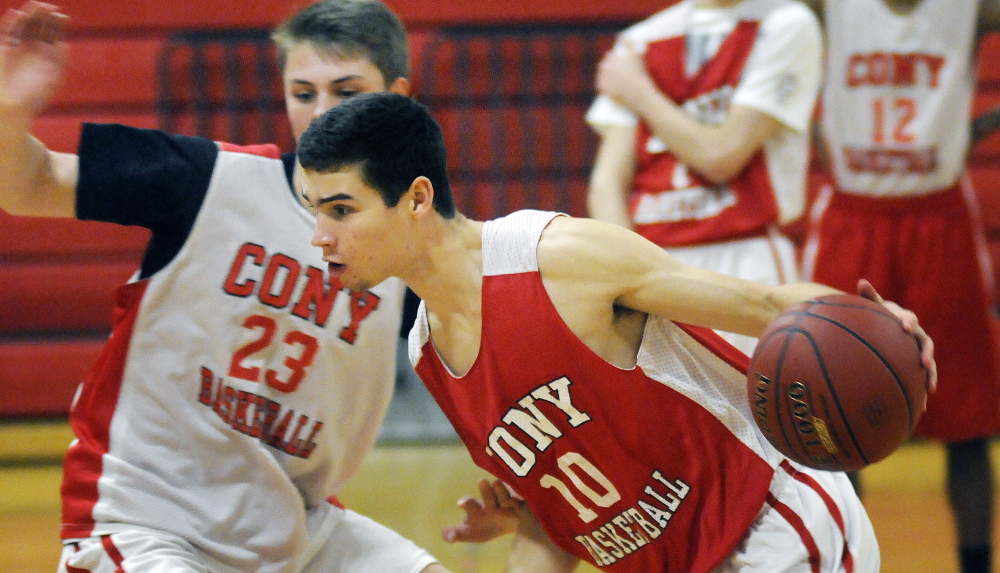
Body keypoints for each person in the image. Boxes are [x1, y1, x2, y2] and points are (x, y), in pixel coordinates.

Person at [298, 91, 937, 573]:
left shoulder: (555, 259)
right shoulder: (427, 352)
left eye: (341, 210)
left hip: (771, 525)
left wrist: (883, 328)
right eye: (314, 212)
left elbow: (766, 303)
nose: (320, 236)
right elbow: (548, 524)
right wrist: (524, 521)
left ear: (414, 198)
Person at [0, 0, 445, 573]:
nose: (323, 113)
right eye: (304, 93)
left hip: (295, 526)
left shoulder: (410, 244)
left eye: (347, 92)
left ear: (398, 96)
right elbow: (26, 185)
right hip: (149, 520)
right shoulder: (206, 180)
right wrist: (10, 112)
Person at [785, 0, 1000, 572]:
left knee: (969, 424)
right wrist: (799, 128)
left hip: (940, 222)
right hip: (853, 221)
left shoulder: (972, 2)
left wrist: (981, 125)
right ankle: (850, 559)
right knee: (834, 410)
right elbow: (750, 35)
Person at [586, 0, 822, 355]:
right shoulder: (643, 39)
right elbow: (607, 183)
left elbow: (723, 157)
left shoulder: (787, 24)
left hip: (748, 255)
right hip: (654, 261)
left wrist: (641, 94)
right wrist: (625, 269)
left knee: (757, 429)